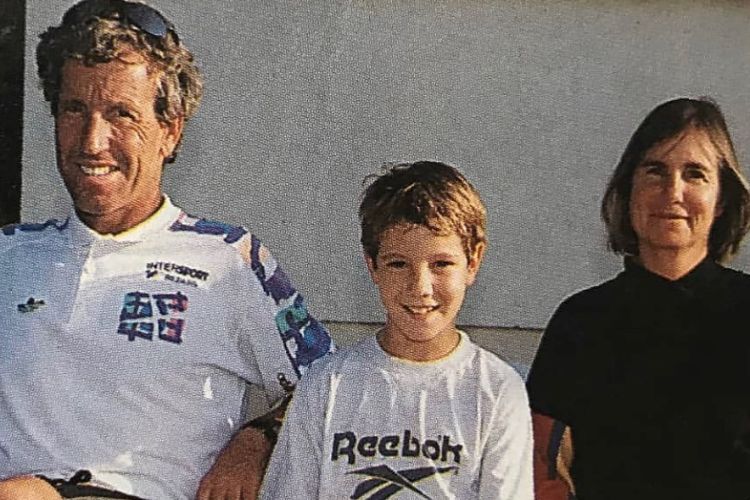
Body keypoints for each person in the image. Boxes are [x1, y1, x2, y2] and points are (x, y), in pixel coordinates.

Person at [0, 1, 333, 499]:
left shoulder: (228, 259)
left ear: (170, 131)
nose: (93, 142)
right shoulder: (8, 256)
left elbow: (336, 388)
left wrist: (258, 440)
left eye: (121, 115)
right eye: (75, 110)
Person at [259, 161, 534, 499]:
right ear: (372, 264)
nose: (420, 287)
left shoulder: (497, 389)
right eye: (398, 264)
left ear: (473, 262)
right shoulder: (325, 384)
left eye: (441, 264)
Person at [527, 97, 750, 500]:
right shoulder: (580, 323)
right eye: (655, 172)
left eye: (695, 174)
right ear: (628, 191)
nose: (673, 191)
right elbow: (545, 474)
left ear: (722, 201)